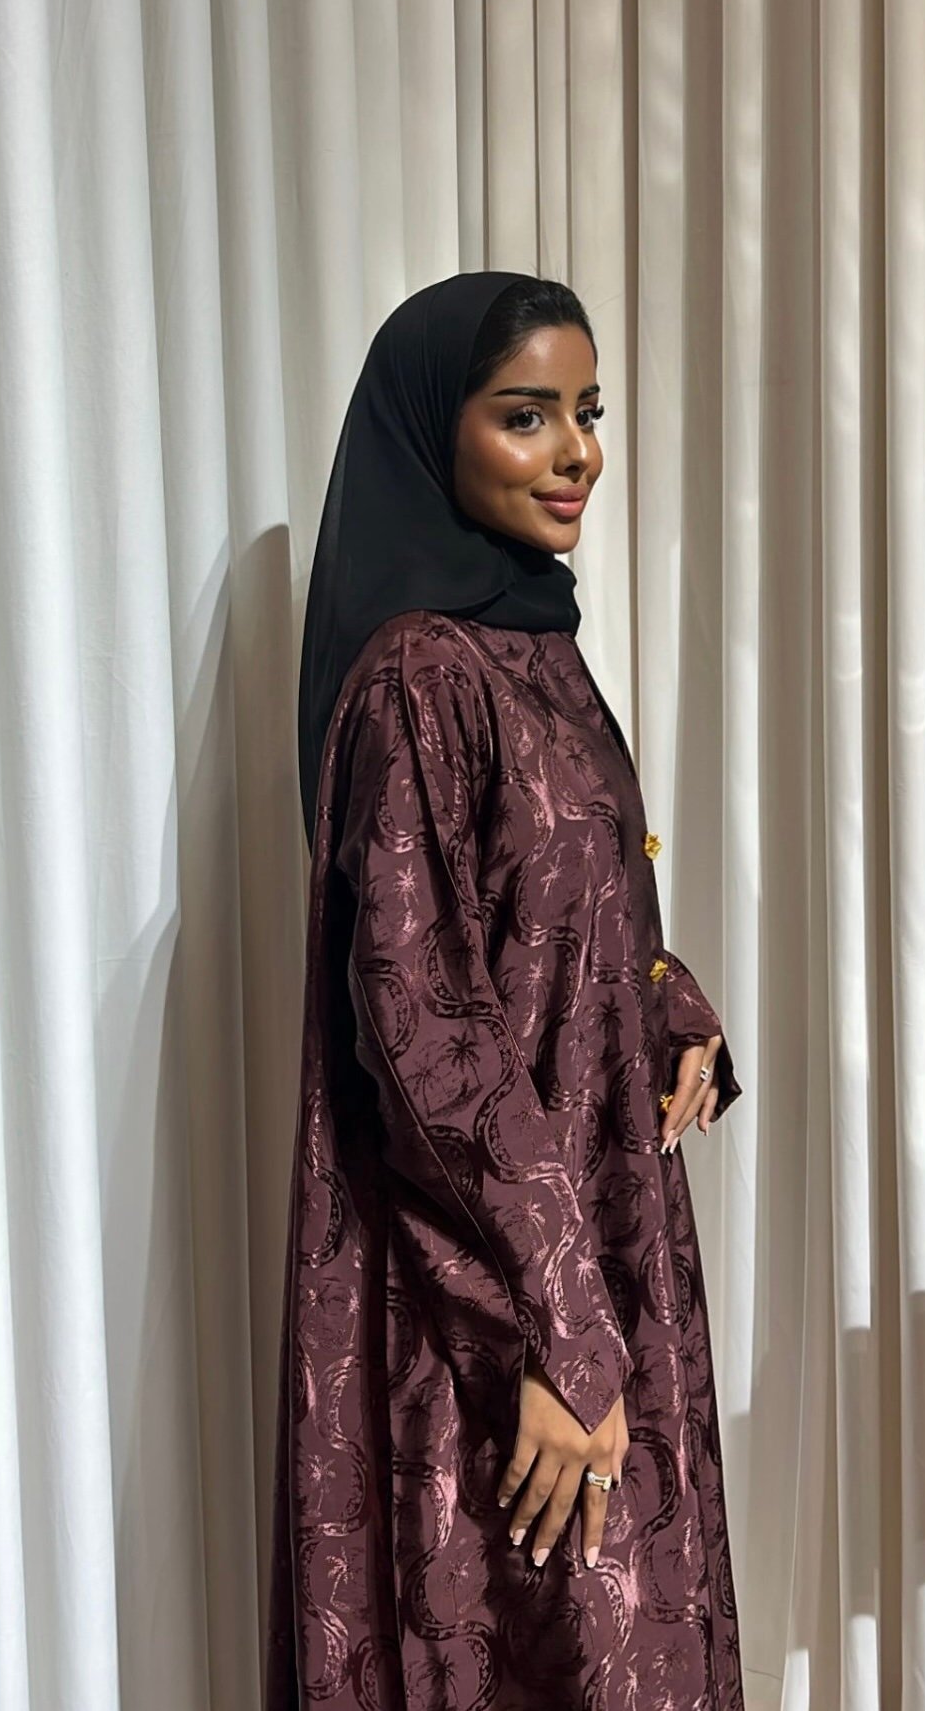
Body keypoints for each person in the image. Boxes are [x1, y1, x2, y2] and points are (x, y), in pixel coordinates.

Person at [267, 271, 745, 1710]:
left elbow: (564, 910)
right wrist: (564, 1336)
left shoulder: (536, 649)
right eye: (525, 415)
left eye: (586, 412)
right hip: (489, 1294)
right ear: (434, 432)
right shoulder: (418, 674)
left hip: (593, 1248)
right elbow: (425, 1033)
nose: (576, 451)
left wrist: (664, 1000)